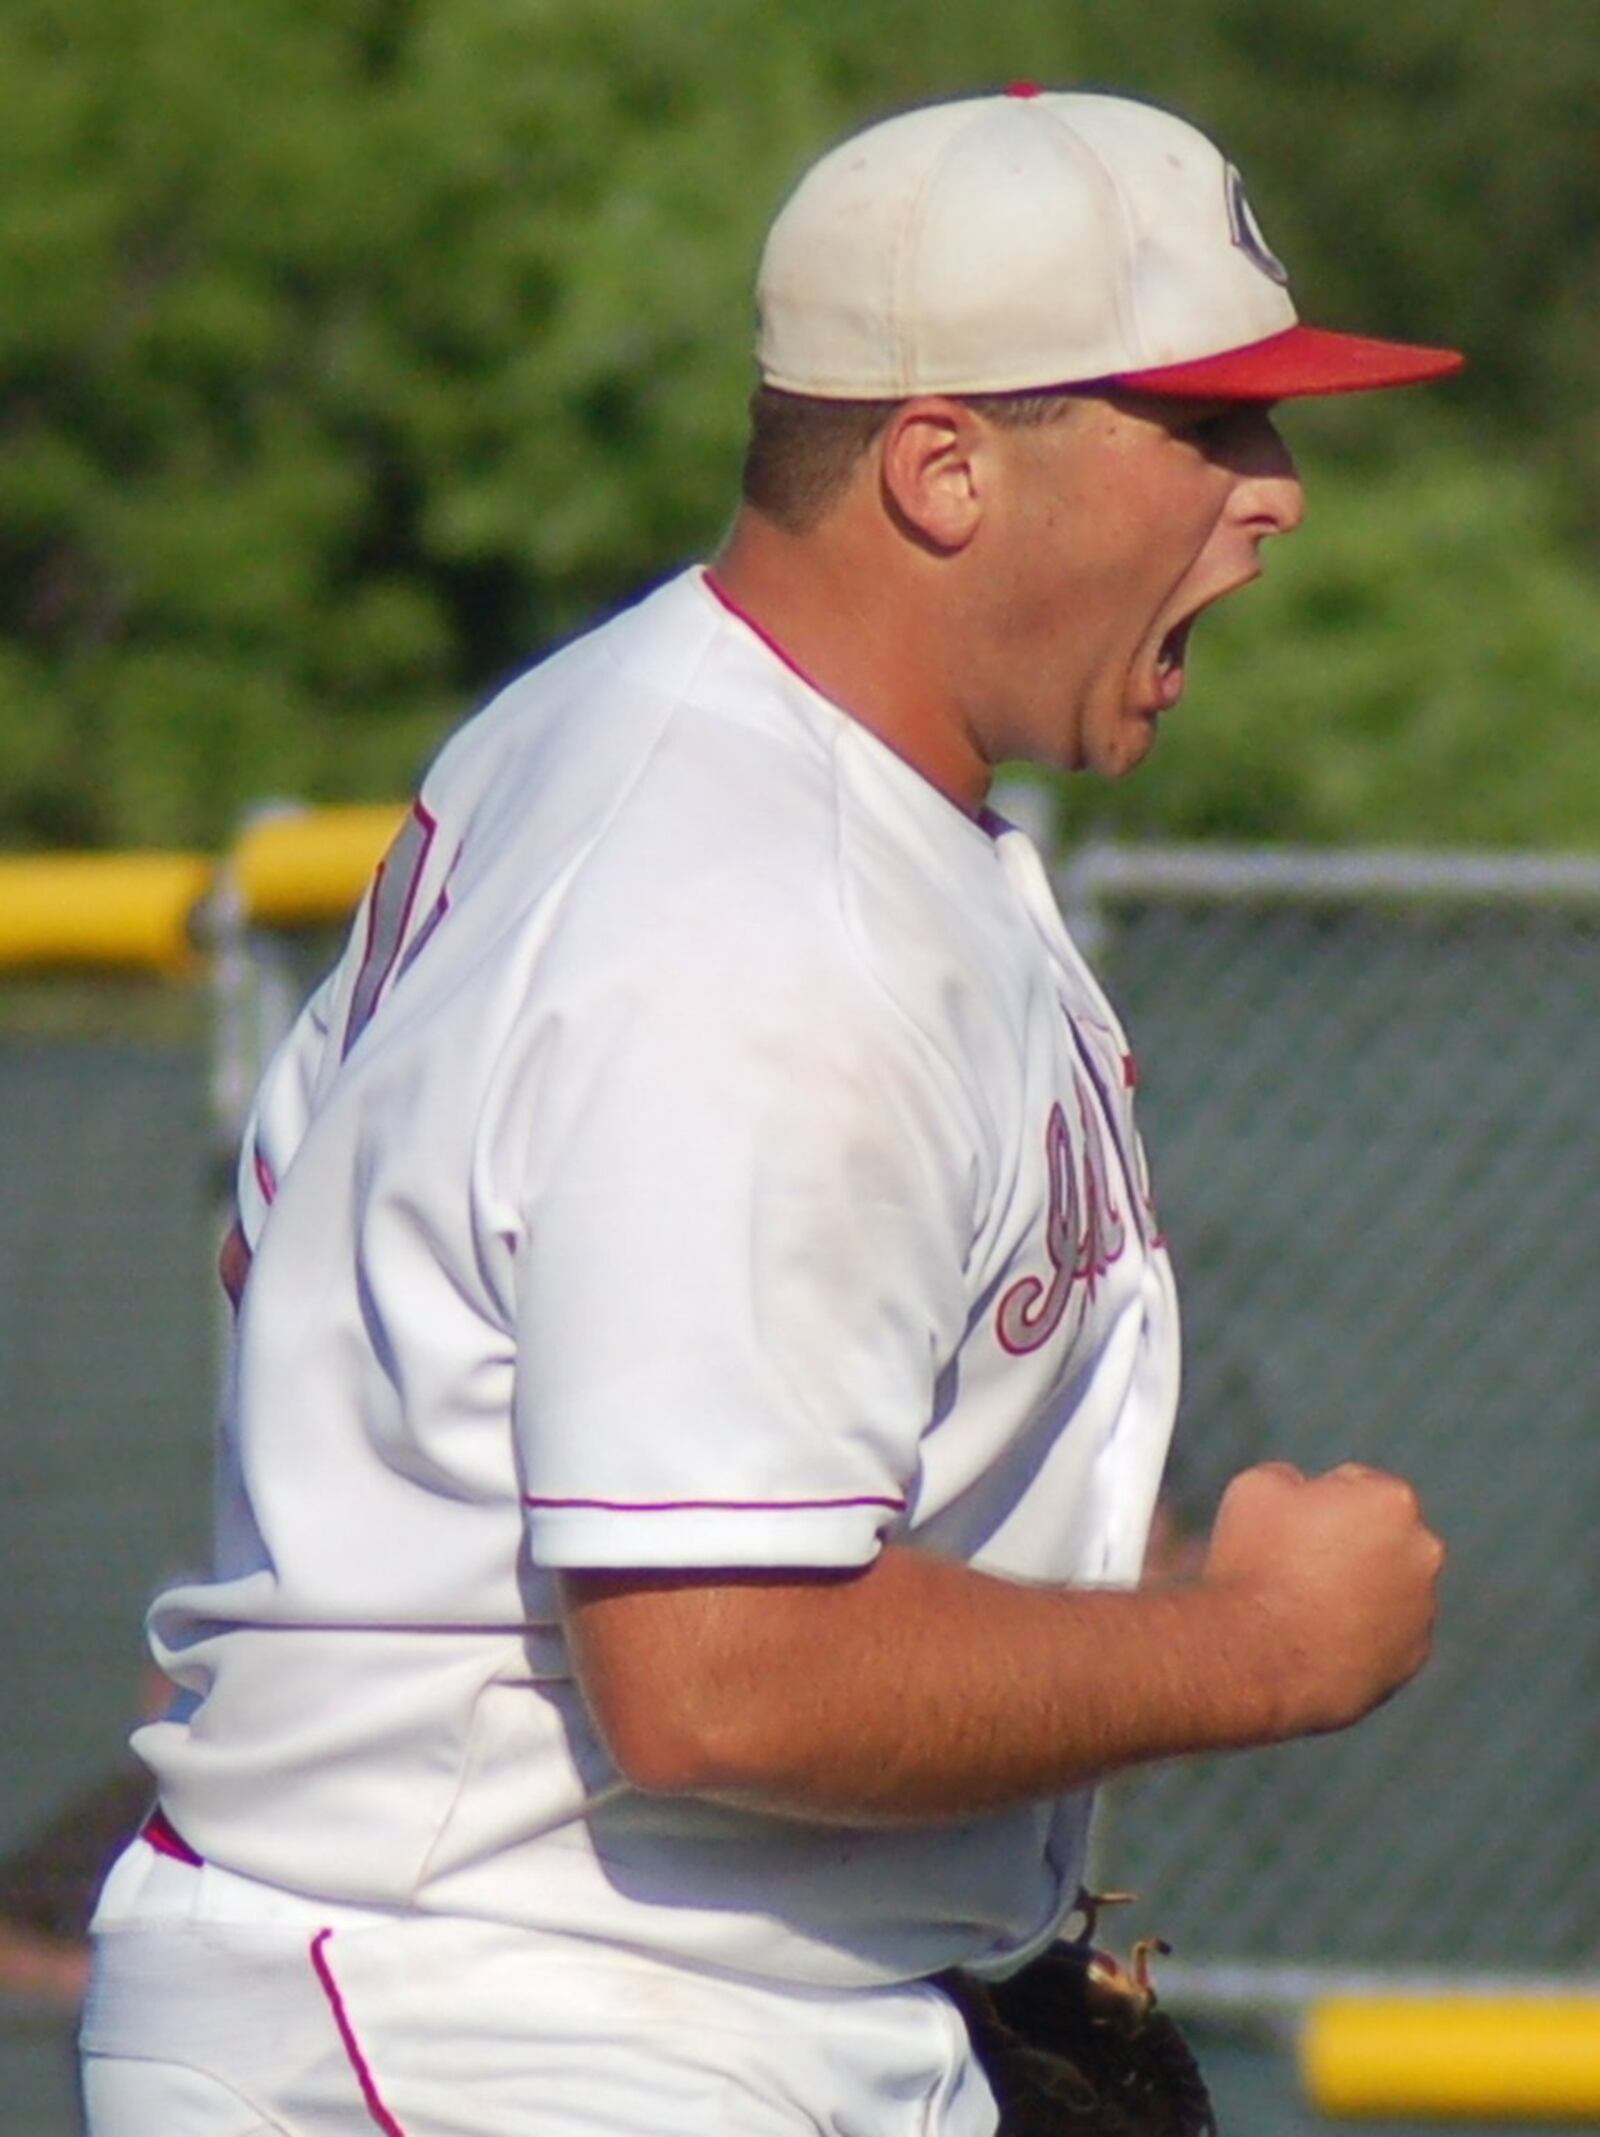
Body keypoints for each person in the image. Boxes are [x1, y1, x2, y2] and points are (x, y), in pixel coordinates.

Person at [81, 86, 1457, 2135]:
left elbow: (299, 1251)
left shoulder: (620, 734)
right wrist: (1251, 1643)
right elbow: (715, 1672)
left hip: (602, 1995)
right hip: (502, 2027)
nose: (1272, 496)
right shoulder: (757, 921)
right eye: (1203, 428)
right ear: (940, 468)